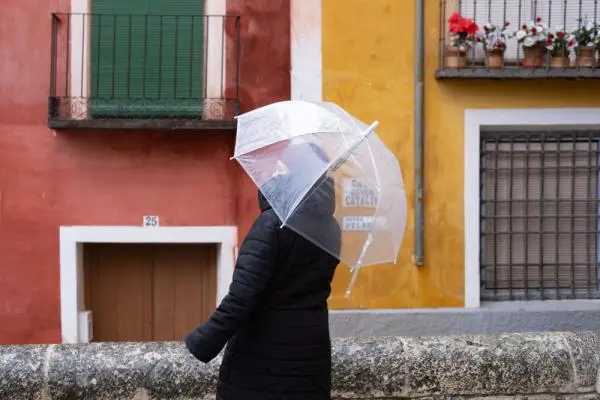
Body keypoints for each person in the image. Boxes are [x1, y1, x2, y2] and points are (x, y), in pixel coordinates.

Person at [185, 142, 341, 400]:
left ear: (295, 174)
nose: (273, 172)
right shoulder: (331, 227)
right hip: (310, 354)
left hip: (265, 358)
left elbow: (242, 297)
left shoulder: (272, 224)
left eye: (282, 165)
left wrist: (201, 342)